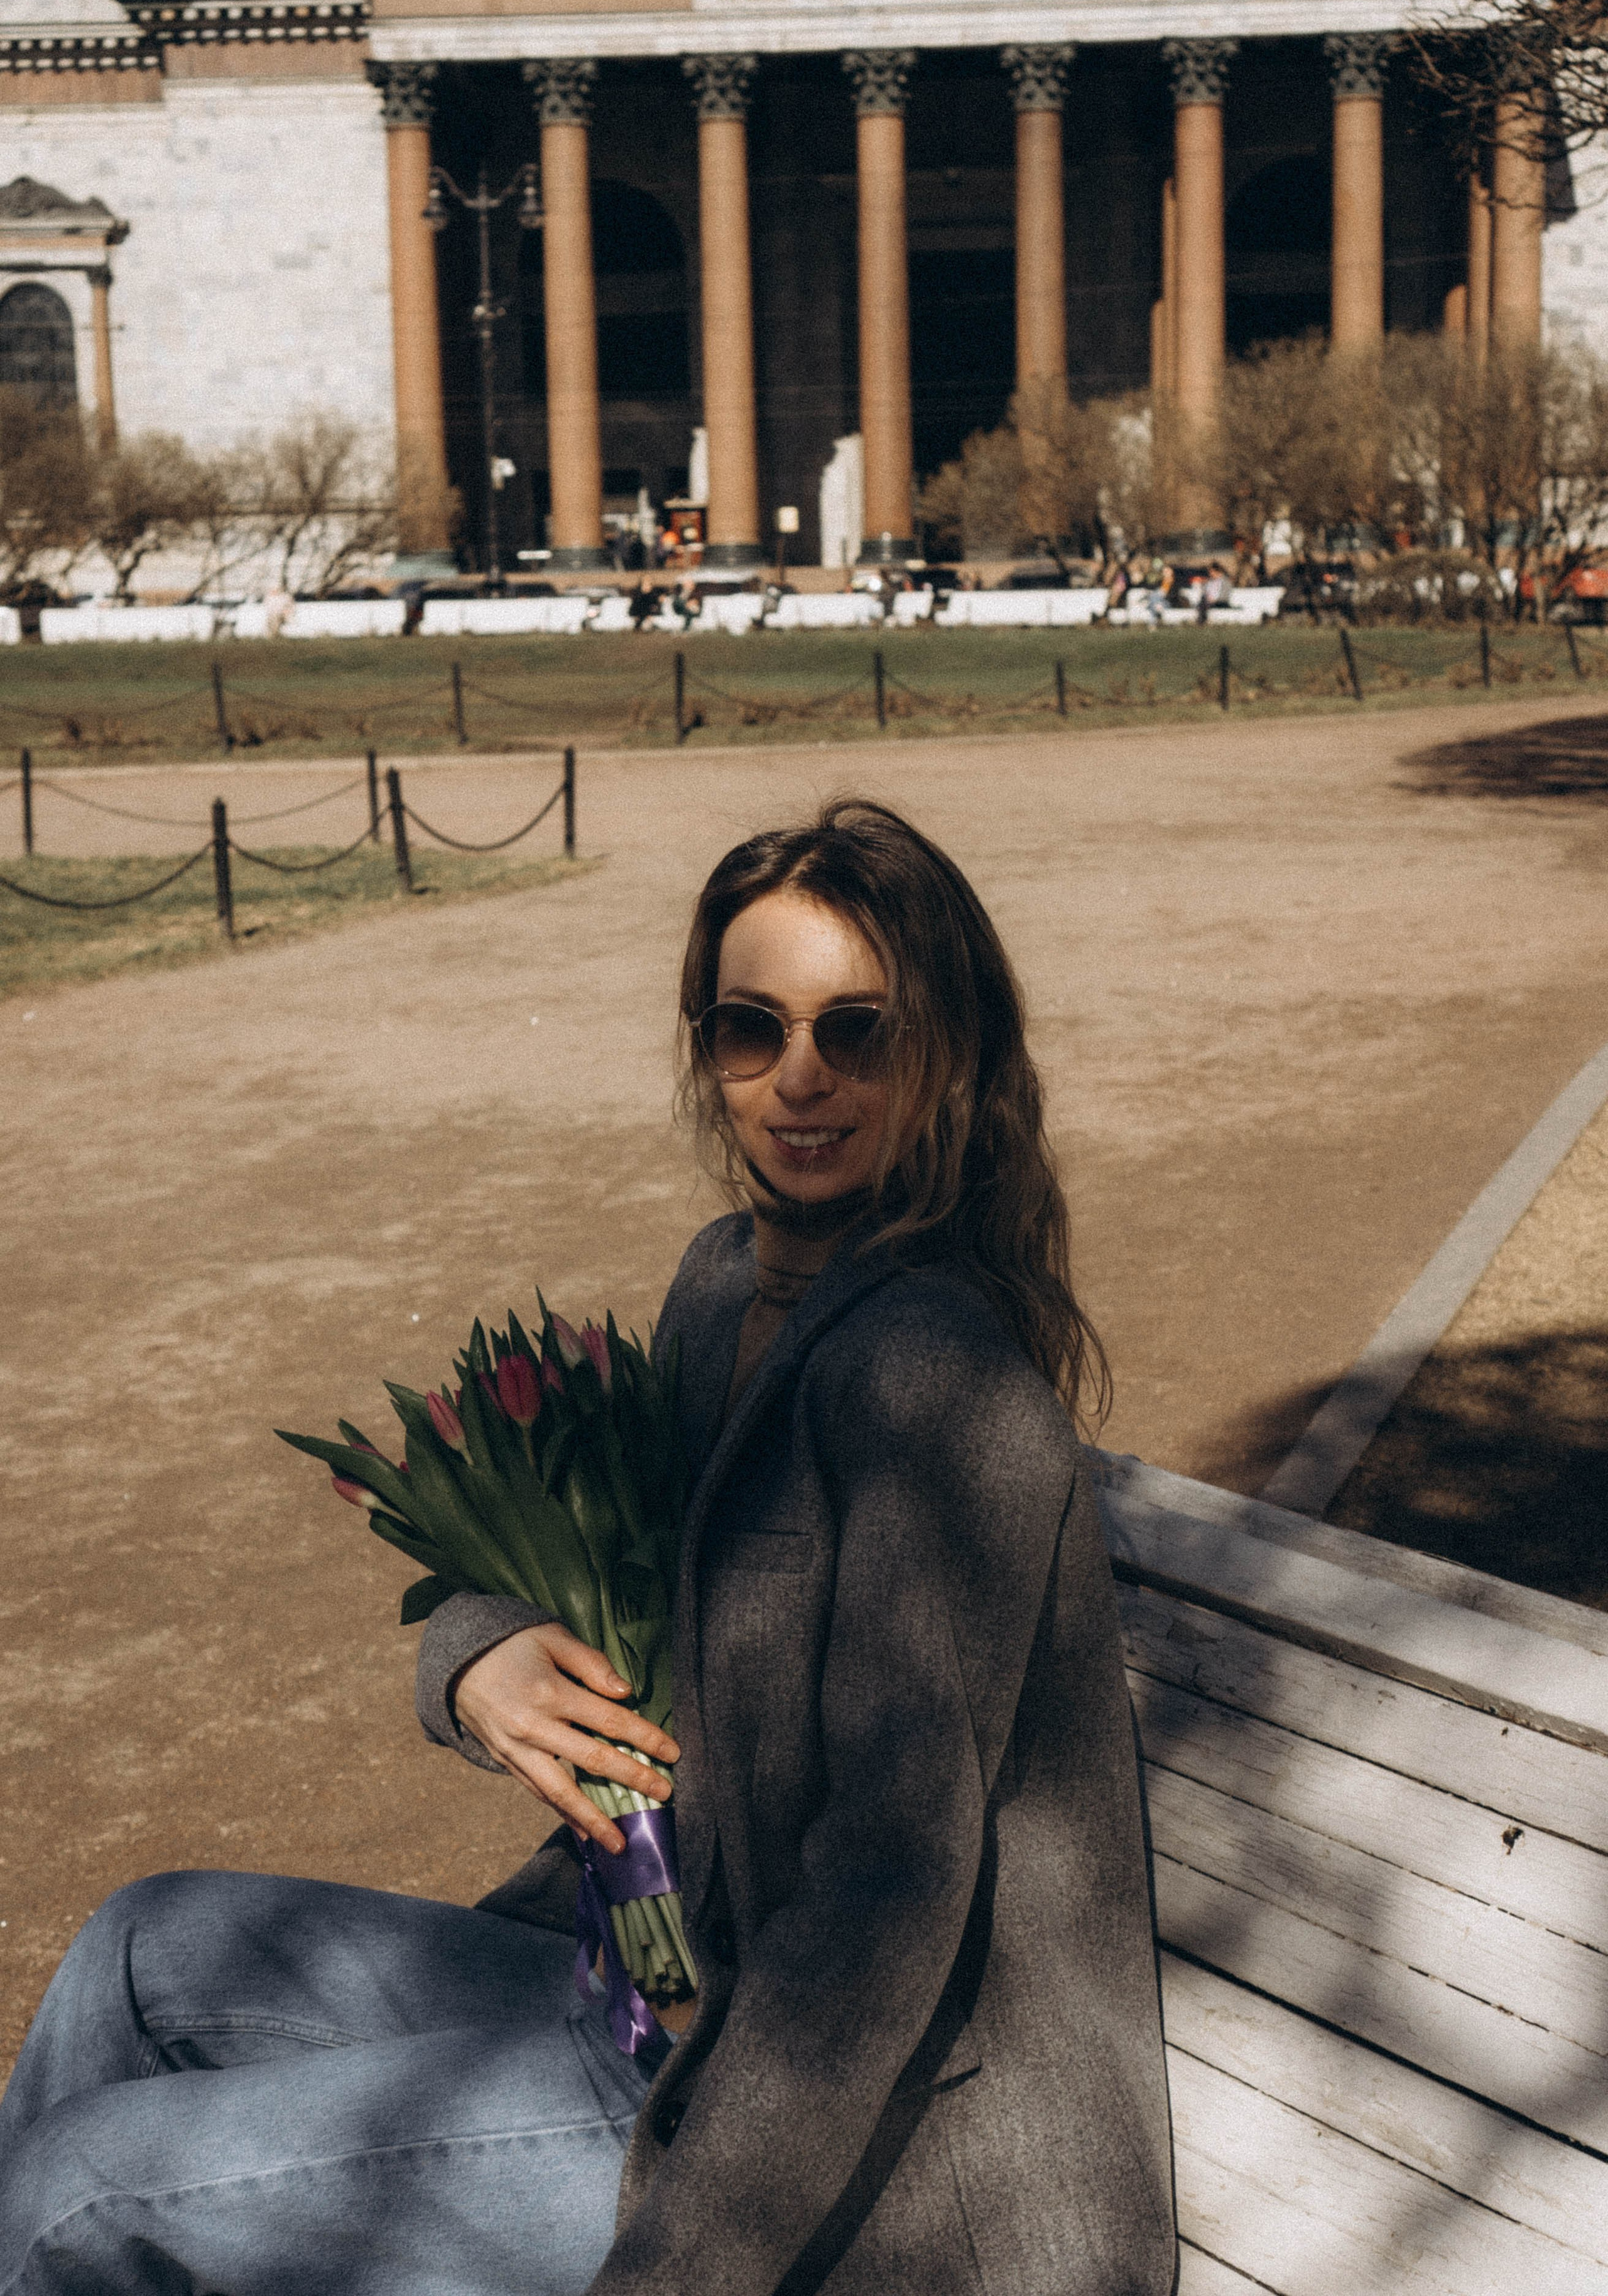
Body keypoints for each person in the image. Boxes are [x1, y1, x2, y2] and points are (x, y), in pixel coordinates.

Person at [0, 799, 1176, 2296]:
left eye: (858, 1031)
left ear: (947, 1047)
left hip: (860, 2171)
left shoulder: (940, 1389)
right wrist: (476, 1652)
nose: (797, 1079)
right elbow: (629, 1574)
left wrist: (677, 2273)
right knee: (138, 1944)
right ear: (705, 1047)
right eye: (751, 1029)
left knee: (73, 2193)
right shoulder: (725, 1282)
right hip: (647, 1993)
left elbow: (884, 1912)